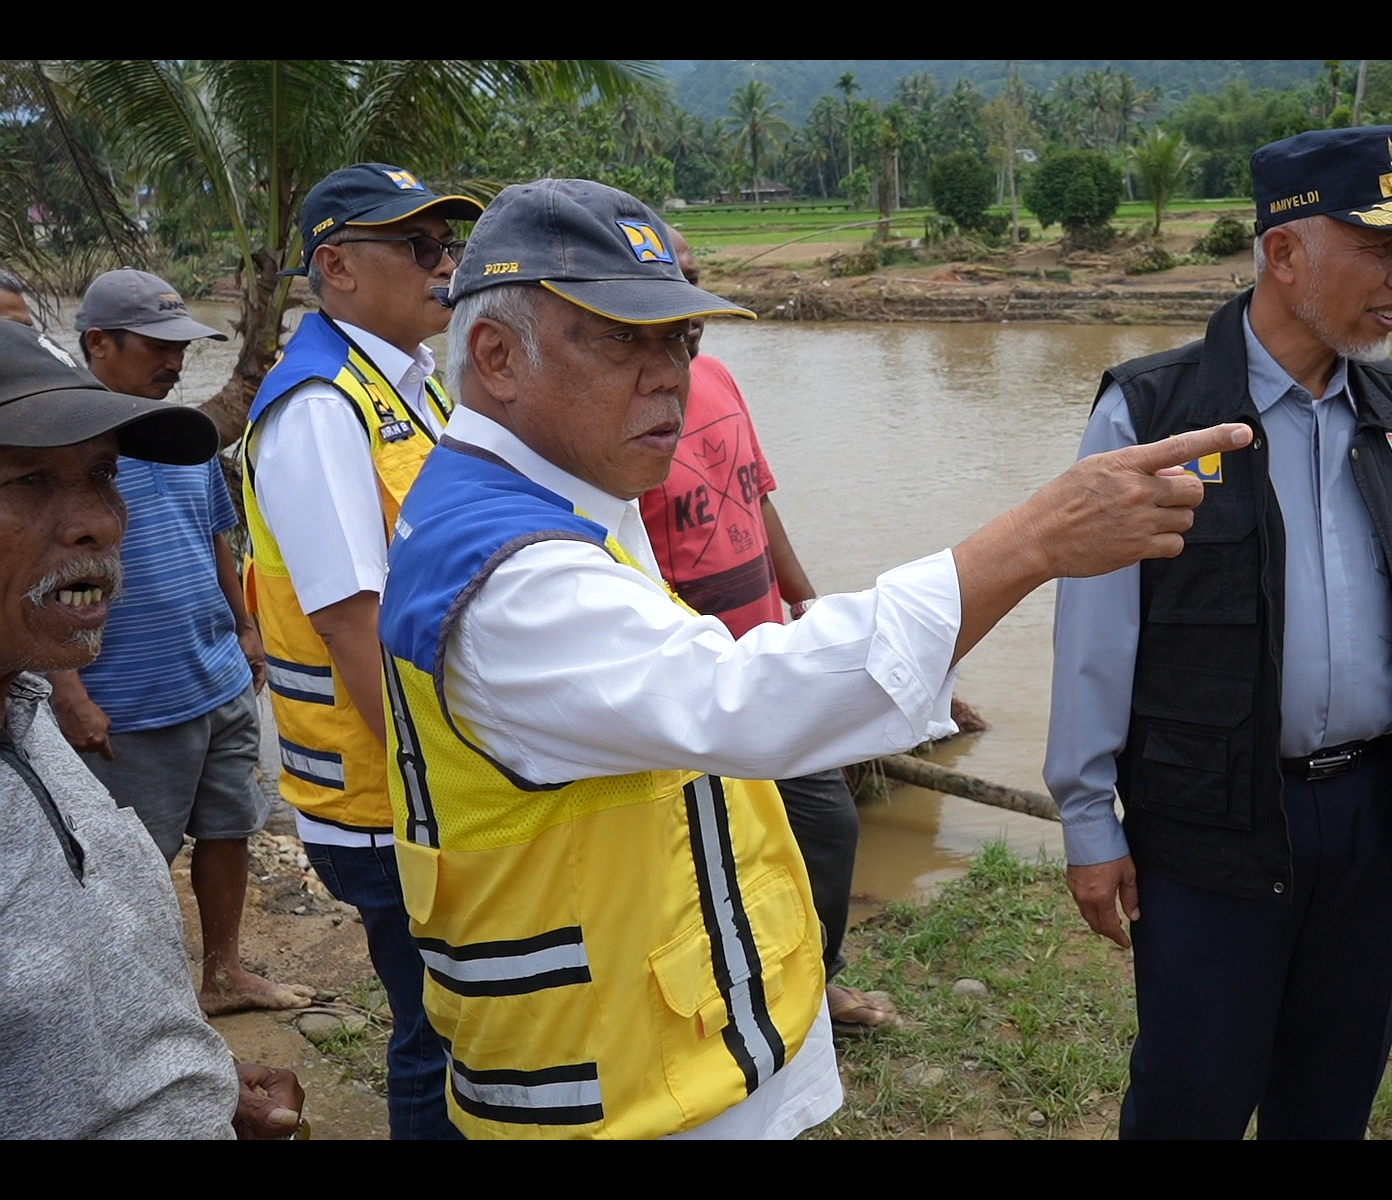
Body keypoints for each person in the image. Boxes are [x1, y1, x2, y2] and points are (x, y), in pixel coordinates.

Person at [375, 179, 1246, 1138]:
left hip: (665, 1043)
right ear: (496, 357)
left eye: (682, 339)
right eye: (622, 338)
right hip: (609, 1088)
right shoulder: (513, 572)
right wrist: (1030, 542)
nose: (669, 374)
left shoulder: (553, 499)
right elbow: (742, 701)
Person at [1045, 125, 1392, 1140]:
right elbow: (1095, 634)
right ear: (1285, 256)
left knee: (1332, 1098)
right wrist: (1087, 820)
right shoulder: (1152, 414)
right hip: (1211, 826)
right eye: (1378, 248)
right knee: (1191, 1096)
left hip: (1377, 819)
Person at [0, 318, 305, 1138]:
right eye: (29, 482)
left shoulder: (22, 717)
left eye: (102, 474)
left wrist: (196, 1085)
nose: (100, 520)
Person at [242, 163, 480, 1139]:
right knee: (440, 1031)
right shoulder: (320, 410)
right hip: (389, 795)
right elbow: (351, 625)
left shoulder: (407, 388)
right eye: (418, 246)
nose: (445, 264)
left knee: (464, 1019)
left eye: (448, 243)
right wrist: (448, 781)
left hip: (416, 775)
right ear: (335, 267)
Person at [638, 227, 890, 1032]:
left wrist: (809, 604)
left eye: (695, 277)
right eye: (663, 282)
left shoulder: (714, 377)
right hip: (698, 687)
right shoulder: (618, 417)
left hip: (772, 661)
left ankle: (817, 982)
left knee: (825, 826)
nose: (689, 303)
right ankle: (732, 1009)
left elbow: (759, 498)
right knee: (706, 862)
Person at [46, 268, 309, 1015]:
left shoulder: (187, 439)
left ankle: (223, 973)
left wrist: (247, 628)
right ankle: (133, 1008)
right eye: (158, 346)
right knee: (130, 865)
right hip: (128, 705)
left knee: (230, 830)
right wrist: (70, 694)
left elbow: (215, 540)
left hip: (217, 680)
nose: (175, 362)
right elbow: (41, 584)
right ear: (99, 343)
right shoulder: (65, 453)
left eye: (182, 347)